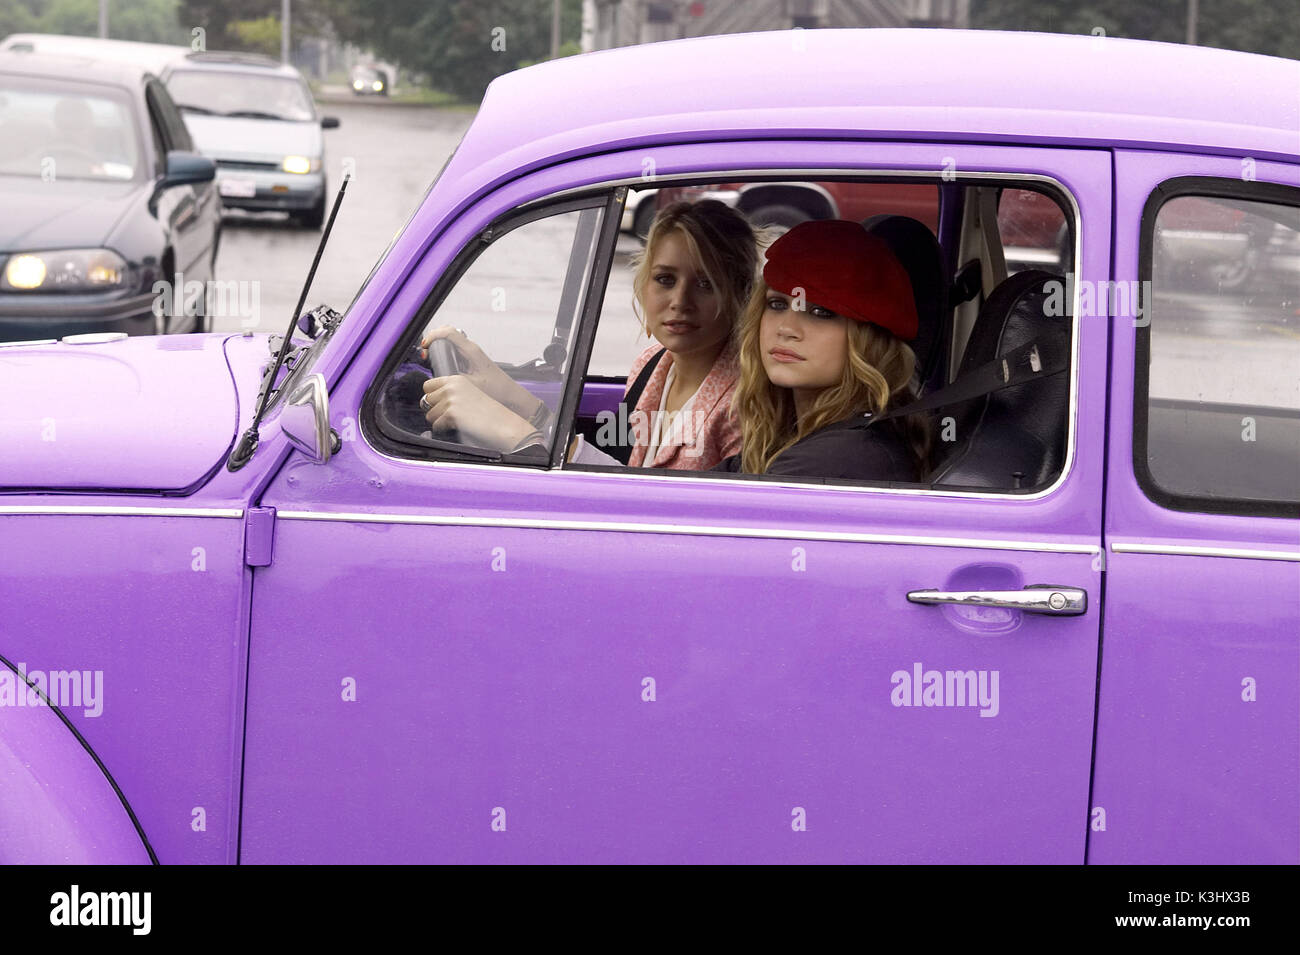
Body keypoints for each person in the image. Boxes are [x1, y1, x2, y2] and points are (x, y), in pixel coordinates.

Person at [418, 199, 759, 468]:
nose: (680, 302)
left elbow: (661, 513)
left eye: (705, 284)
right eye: (665, 280)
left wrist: (516, 433)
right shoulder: (654, 364)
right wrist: (500, 387)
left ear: (740, 292)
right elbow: (620, 470)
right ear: (643, 283)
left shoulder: (747, 405)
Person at [713, 219, 931, 481]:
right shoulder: (798, 437)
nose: (786, 328)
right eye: (777, 304)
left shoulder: (837, 457)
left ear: (868, 342)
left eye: (820, 312)